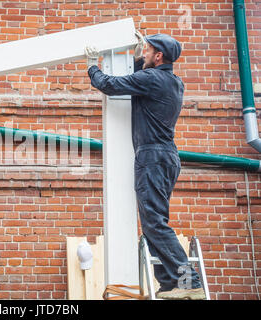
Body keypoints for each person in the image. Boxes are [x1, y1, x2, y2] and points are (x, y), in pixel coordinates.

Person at [84, 32, 206, 300]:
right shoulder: (173, 81)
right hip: (165, 157)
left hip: (152, 157)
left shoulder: (151, 80)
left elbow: (109, 84)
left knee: (155, 224)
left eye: (147, 51)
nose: (144, 54)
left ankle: (189, 281)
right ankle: (170, 284)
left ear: (158, 56)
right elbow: (141, 75)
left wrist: (92, 65)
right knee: (153, 223)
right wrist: (140, 55)